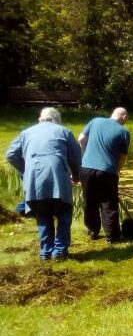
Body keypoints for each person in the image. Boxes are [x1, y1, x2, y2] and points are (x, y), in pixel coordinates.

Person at [5, 107, 81, 261]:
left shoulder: (27, 133)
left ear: (40, 118)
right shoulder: (64, 131)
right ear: (57, 119)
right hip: (58, 179)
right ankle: (59, 252)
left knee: (43, 215)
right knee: (64, 214)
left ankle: (45, 253)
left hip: (34, 182)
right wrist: (76, 175)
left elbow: (11, 155)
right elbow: (76, 157)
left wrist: (26, 171)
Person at [78, 107, 130, 243]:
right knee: (108, 203)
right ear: (123, 117)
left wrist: (84, 157)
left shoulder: (95, 121)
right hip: (107, 171)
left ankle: (93, 230)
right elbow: (122, 157)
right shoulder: (124, 132)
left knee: (90, 201)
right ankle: (112, 237)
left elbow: (81, 139)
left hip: (86, 168)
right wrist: (117, 171)